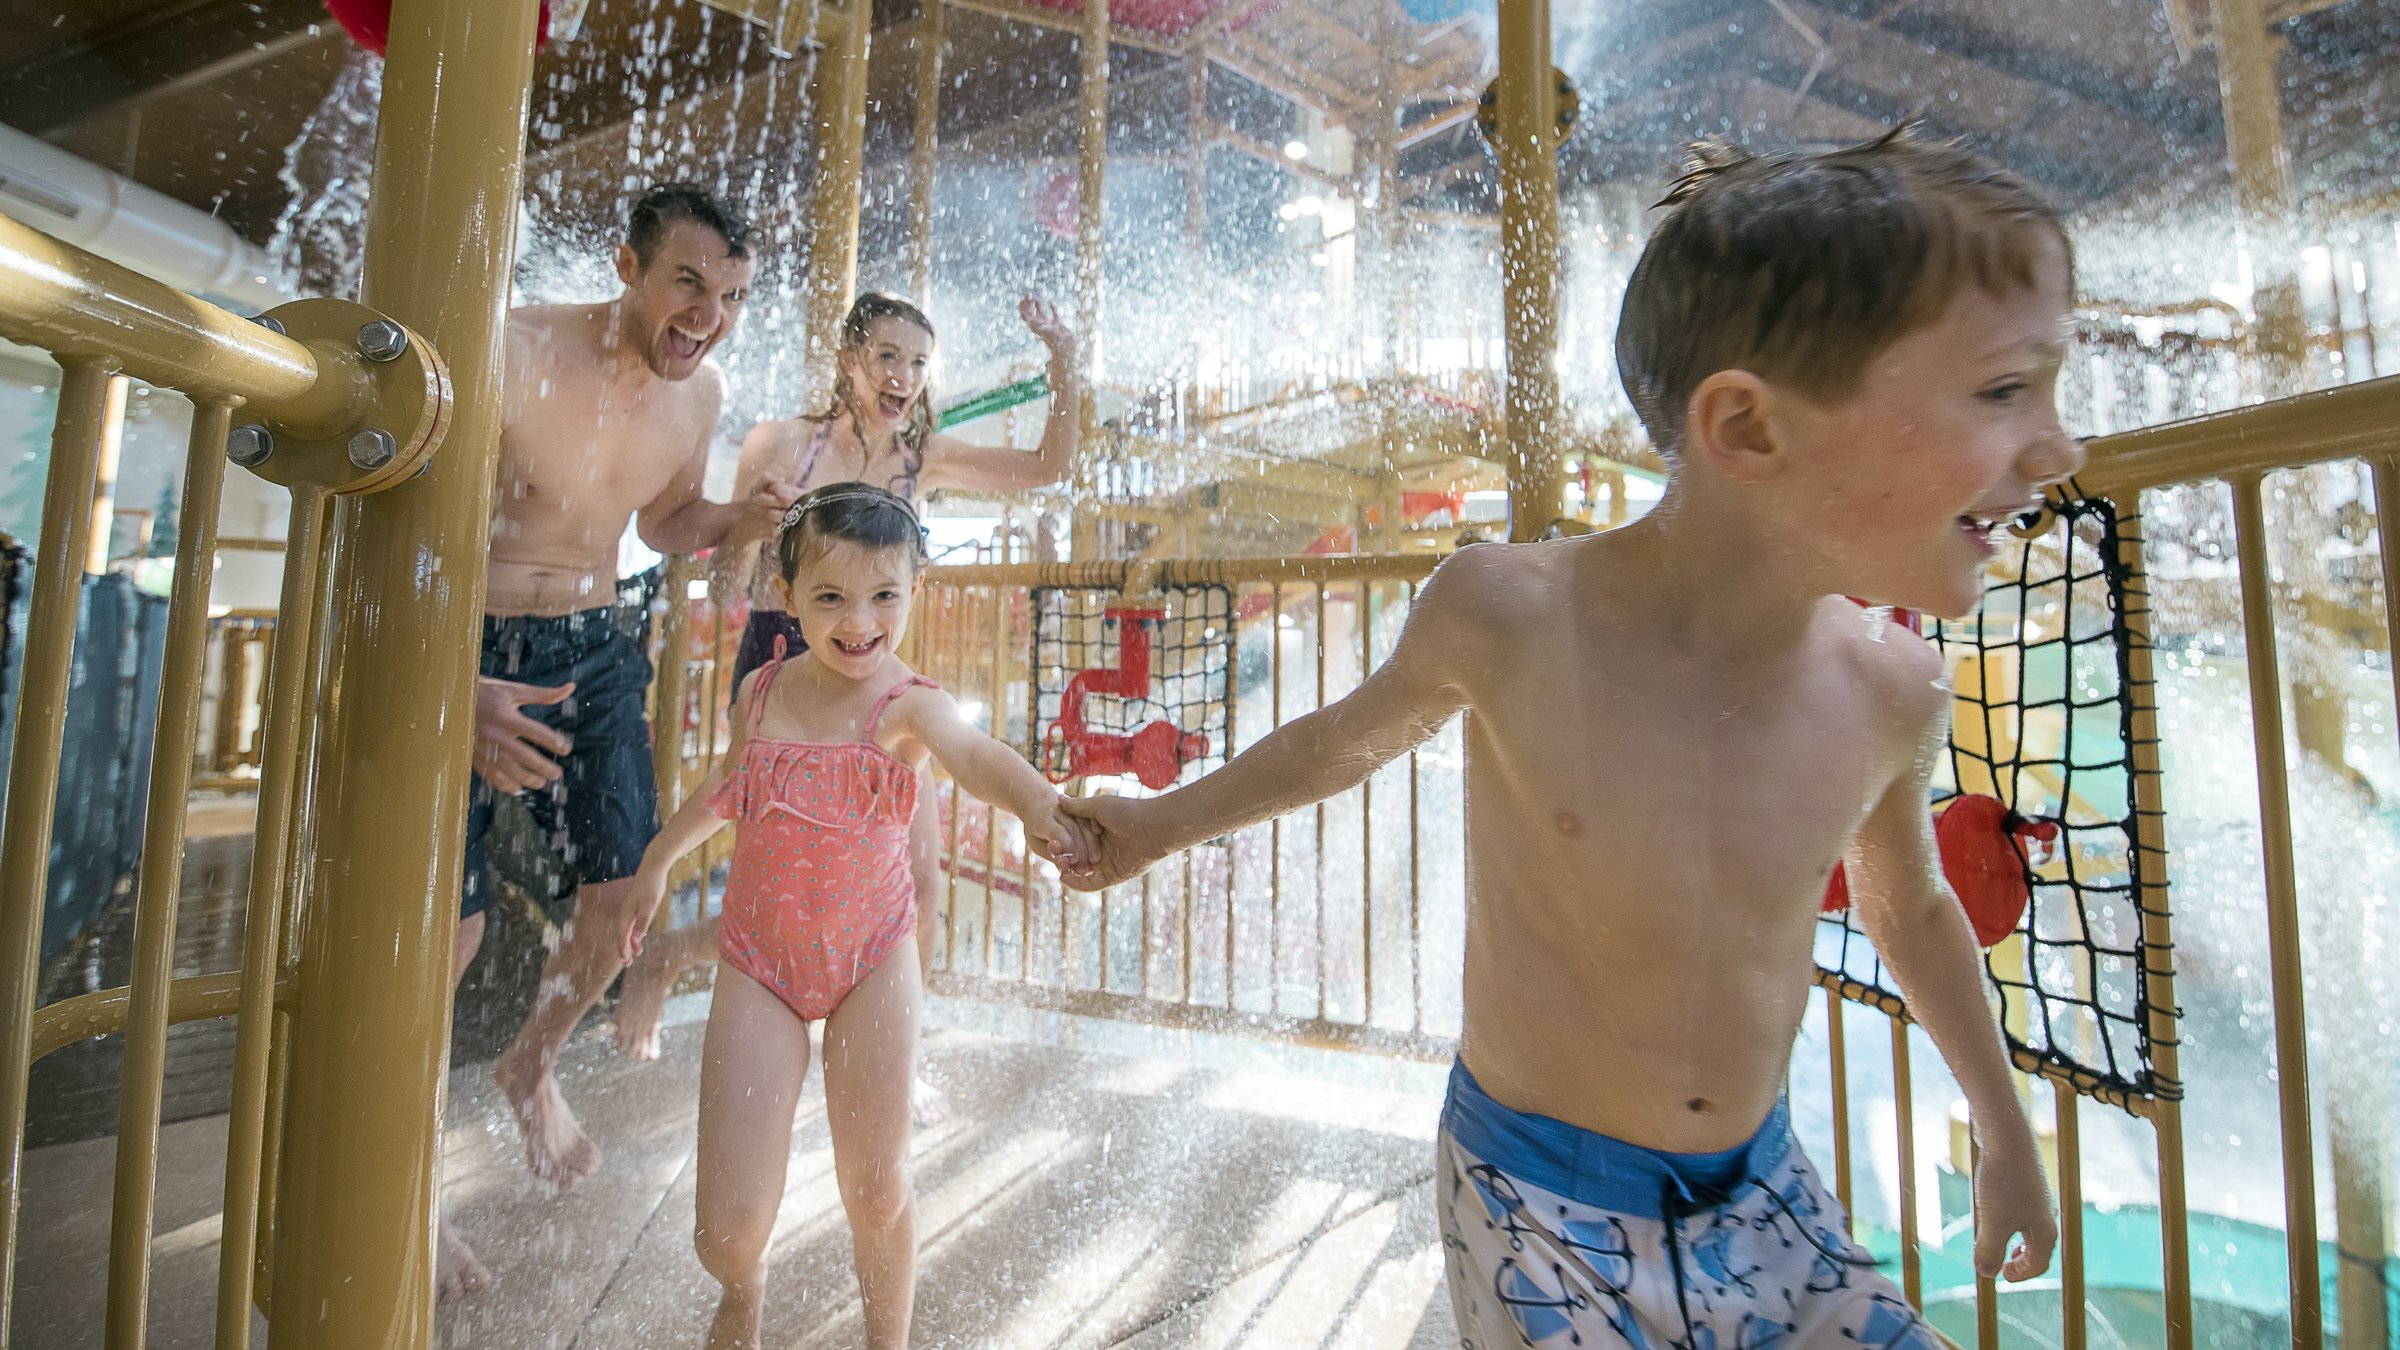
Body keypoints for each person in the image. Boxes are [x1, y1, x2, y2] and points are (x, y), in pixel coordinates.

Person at [1056, 126, 2073, 1348]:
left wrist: (2005, 1131)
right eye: (2004, 390)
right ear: (1746, 429)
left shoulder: (1894, 690)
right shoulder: (1512, 616)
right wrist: (1157, 823)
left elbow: (1909, 911)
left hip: (1759, 1189)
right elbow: (1341, 743)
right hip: (1534, 1201)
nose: (2062, 449)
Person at [621, 483, 1085, 1350]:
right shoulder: (760, 691)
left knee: (874, 1187)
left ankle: (887, 1341)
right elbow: (730, 787)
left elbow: (975, 755)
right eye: (830, 596)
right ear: (785, 593)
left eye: (884, 595)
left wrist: (1042, 809)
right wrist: (657, 861)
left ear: (914, 592)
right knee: (723, 1229)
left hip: (872, 958)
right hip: (762, 962)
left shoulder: (907, 704)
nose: (858, 620)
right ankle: (744, 1287)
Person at [445, 184, 794, 1298]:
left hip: (594, 643)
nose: (708, 315)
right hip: (467, 639)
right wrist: (456, 688)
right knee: (444, 936)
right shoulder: (509, 348)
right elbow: (397, 532)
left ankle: (532, 1061)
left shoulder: (703, 396)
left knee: (625, 902)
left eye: (731, 295)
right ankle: (403, 1190)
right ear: (627, 266)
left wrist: (740, 523)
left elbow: (661, 523)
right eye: (688, 283)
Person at [611, 289, 1076, 1083]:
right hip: (781, 661)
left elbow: (1049, 466)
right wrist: (757, 528)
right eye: (888, 356)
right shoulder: (781, 444)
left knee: (915, 878)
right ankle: (666, 960)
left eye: (920, 363)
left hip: (877, 682)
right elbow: (727, 579)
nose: (904, 376)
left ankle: (897, 1053)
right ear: (849, 359)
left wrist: (1065, 365)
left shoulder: (920, 456)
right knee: (780, 874)